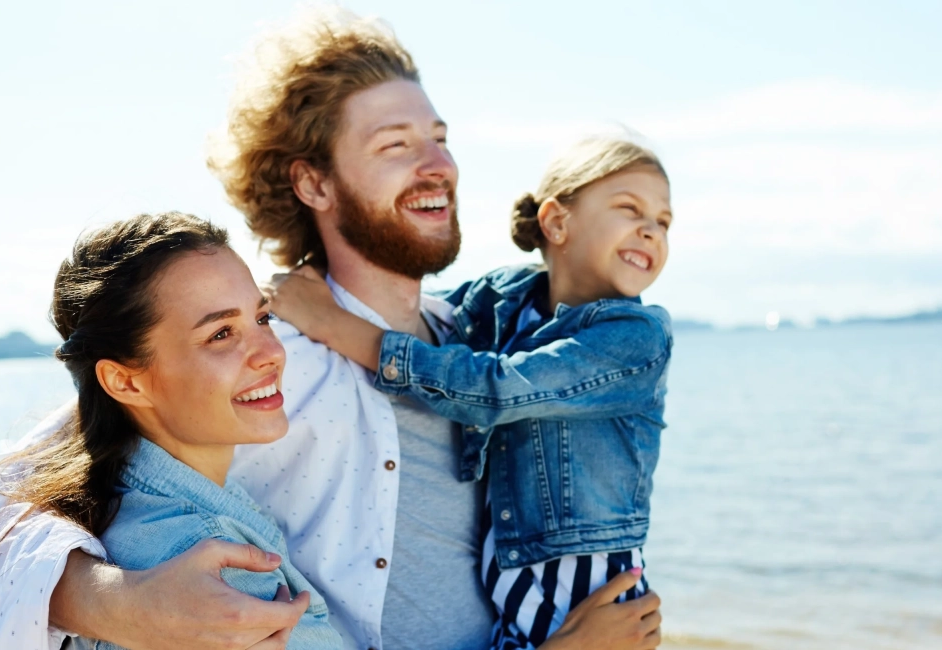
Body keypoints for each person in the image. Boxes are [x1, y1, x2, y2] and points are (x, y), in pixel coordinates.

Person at [0, 9, 662, 650]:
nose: (439, 165)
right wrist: (123, 605)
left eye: (439, 139)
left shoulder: (477, 339)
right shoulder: (263, 353)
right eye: (396, 145)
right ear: (314, 183)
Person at [264, 136, 673, 648]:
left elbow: (493, 387)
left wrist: (329, 322)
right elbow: (399, 300)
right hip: (506, 591)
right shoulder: (503, 297)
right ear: (556, 222)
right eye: (630, 209)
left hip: (583, 589)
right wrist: (310, 282)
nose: (651, 230)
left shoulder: (637, 337)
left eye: (664, 221)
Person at [0, 212, 342, 649]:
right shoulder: (208, 566)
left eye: (262, 318)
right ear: (125, 382)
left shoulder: (116, 504)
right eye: (221, 334)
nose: (271, 353)